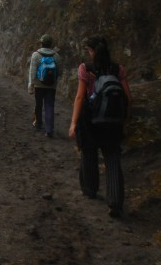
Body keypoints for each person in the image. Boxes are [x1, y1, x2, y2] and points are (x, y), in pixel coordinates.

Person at [68, 35, 132, 218]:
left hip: (90, 119)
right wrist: (124, 119)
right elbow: (128, 97)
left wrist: (73, 122)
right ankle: (115, 202)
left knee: (88, 152)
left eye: (89, 50)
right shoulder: (118, 69)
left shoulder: (86, 69)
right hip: (113, 120)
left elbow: (80, 97)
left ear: (93, 51)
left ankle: (90, 189)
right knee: (112, 157)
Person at [28, 34, 61, 137]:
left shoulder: (36, 55)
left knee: (38, 104)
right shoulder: (56, 56)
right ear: (51, 44)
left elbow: (32, 72)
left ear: (41, 43)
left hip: (38, 85)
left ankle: (38, 123)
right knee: (49, 106)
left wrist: (31, 85)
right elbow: (60, 72)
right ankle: (49, 129)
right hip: (51, 86)